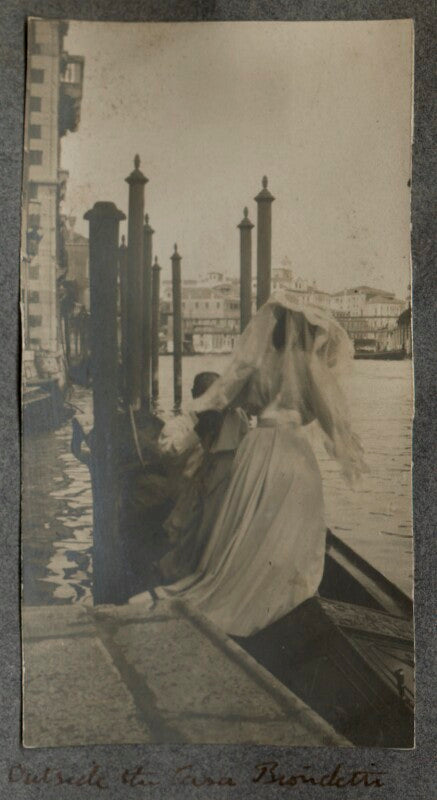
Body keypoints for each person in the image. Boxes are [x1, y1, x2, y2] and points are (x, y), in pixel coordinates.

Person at [131, 292, 367, 638]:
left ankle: (239, 585)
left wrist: (184, 429)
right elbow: (333, 421)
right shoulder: (311, 366)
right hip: (292, 452)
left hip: (256, 447)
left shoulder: (256, 363)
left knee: (246, 524)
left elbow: (219, 397)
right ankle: (280, 597)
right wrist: (350, 451)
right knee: (292, 530)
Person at [158, 371, 249, 583]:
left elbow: (245, 446)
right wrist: (198, 432)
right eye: (205, 395)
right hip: (185, 493)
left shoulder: (232, 419)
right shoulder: (178, 426)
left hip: (219, 491)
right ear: (194, 395)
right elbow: (167, 453)